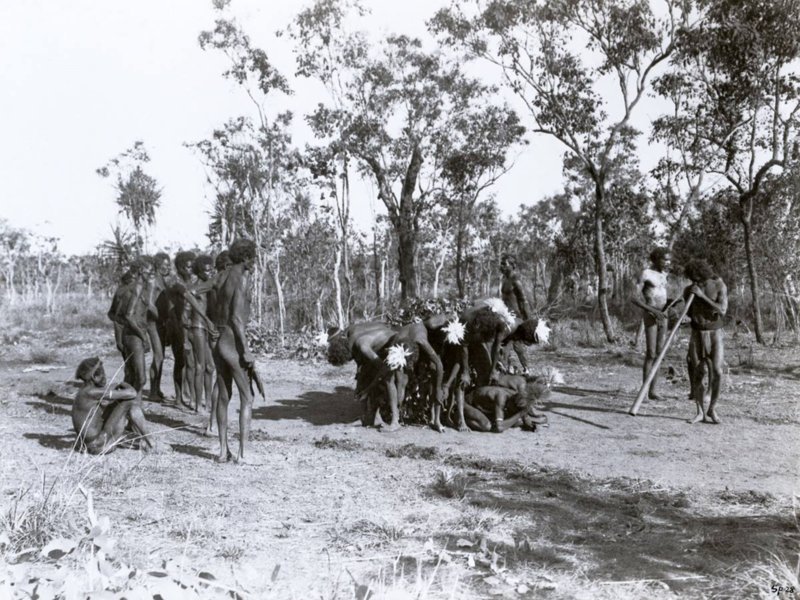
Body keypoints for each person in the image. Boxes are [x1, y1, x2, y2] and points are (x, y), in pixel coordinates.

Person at [212, 239, 258, 463]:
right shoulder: (241, 278)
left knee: (223, 396)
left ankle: (222, 451)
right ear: (247, 258)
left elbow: (192, 293)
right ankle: (243, 454)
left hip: (218, 339)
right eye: (253, 257)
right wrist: (246, 350)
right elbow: (237, 318)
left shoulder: (220, 277)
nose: (254, 262)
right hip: (232, 342)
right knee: (246, 397)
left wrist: (210, 326)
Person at [72, 357, 159, 454]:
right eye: (103, 375)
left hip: (89, 445)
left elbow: (105, 398)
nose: (105, 378)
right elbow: (132, 393)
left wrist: (115, 387)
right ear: (94, 377)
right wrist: (124, 384)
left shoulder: (85, 391)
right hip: (98, 446)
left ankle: (145, 440)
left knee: (120, 404)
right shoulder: (92, 392)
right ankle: (151, 443)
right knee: (130, 402)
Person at [327, 320, 397, 428]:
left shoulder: (361, 345)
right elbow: (359, 362)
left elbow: (383, 368)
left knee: (388, 380)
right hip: (376, 349)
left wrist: (368, 388)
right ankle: (368, 418)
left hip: (392, 347)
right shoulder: (349, 333)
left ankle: (395, 421)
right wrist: (361, 383)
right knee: (362, 378)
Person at [683, 258, 728, 424]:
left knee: (717, 372)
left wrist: (702, 297)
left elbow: (722, 310)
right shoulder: (688, 290)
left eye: (697, 276)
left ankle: (712, 409)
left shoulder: (718, 286)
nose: (694, 280)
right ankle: (700, 411)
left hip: (715, 334)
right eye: (691, 277)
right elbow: (689, 313)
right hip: (697, 334)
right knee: (697, 372)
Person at [631, 247, 675, 401]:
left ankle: (653, 391)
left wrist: (672, 304)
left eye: (669, 260)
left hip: (664, 316)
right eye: (665, 259)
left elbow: (662, 296)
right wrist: (652, 310)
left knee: (659, 354)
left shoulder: (665, 275)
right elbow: (634, 298)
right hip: (651, 315)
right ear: (656, 259)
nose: (668, 262)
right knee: (650, 353)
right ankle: (644, 391)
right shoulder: (646, 274)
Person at [205, 250, 232, 436]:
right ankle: (213, 424)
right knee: (221, 379)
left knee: (220, 379)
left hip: (215, 331)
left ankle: (212, 423)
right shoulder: (222, 282)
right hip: (221, 333)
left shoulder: (214, 282)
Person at [167, 251, 196, 408]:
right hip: (177, 326)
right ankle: (179, 397)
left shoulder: (191, 282)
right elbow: (174, 310)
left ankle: (188, 394)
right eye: (187, 267)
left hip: (189, 326)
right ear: (180, 267)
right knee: (180, 362)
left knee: (190, 363)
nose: (190, 270)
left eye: (192, 267)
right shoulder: (175, 283)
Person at [187, 254, 216, 412]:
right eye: (206, 271)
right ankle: (198, 403)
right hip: (197, 326)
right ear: (199, 271)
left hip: (204, 327)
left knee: (210, 367)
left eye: (211, 270)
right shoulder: (197, 285)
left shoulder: (207, 284)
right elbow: (189, 295)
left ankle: (209, 402)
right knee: (200, 366)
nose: (209, 273)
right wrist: (205, 318)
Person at [120, 259, 153, 392]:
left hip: (137, 333)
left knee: (135, 376)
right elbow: (128, 316)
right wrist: (143, 337)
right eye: (149, 272)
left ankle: (133, 406)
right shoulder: (136, 288)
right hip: (134, 335)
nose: (151, 274)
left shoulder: (142, 288)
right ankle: (128, 403)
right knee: (140, 378)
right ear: (140, 271)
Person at [462, 385, 543, 433]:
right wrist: (520, 414)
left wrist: (528, 422)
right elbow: (499, 428)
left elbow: (522, 415)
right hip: (467, 404)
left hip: (482, 407)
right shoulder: (501, 397)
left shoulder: (515, 396)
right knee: (486, 426)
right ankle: (458, 417)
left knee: (514, 422)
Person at [499, 254, 532, 373]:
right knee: (509, 343)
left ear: (513, 266)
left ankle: (525, 370)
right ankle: (511, 368)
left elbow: (523, 301)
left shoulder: (516, 280)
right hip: (507, 317)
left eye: (504, 264)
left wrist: (528, 321)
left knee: (514, 343)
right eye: (501, 264)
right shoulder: (505, 280)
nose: (501, 266)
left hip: (516, 318)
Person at [146, 252, 171, 401]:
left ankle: (157, 388)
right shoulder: (153, 280)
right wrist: (160, 318)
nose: (167, 267)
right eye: (165, 265)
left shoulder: (163, 280)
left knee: (160, 356)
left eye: (169, 265)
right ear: (158, 265)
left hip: (161, 322)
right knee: (158, 356)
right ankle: (152, 391)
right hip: (153, 322)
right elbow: (149, 304)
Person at [107, 270, 134, 383]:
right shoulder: (123, 292)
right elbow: (113, 314)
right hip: (126, 330)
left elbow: (111, 314)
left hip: (128, 329)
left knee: (130, 362)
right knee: (131, 363)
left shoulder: (122, 291)